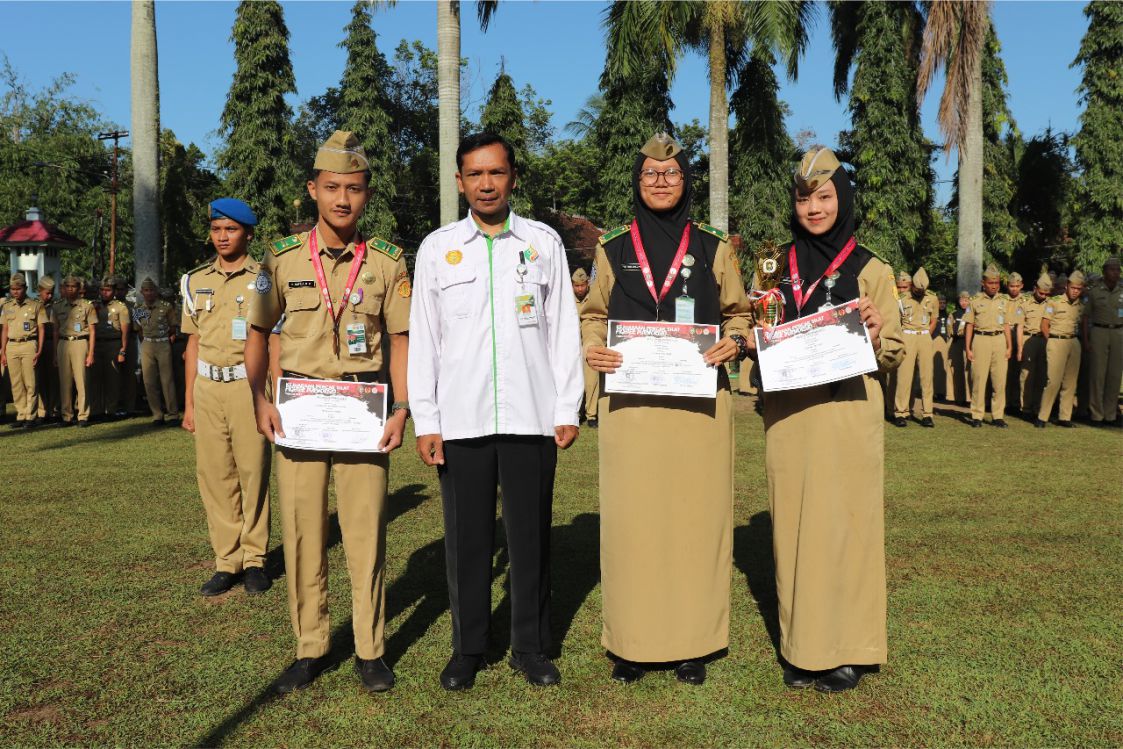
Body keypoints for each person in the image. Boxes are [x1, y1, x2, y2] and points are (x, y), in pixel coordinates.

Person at [410, 132, 582, 691]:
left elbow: (563, 329)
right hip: (462, 417)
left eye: (497, 173)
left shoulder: (542, 243)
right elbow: (425, 339)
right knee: (467, 539)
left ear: (513, 178)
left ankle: (531, 646)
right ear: (460, 181)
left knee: (530, 536)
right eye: (475, 174)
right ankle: (469, 647)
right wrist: (427, 419)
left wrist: (567, 405)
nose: (486, 184)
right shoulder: (438, 248)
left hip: (531, 414)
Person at [581, 133, 752, 687]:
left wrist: (736, 341)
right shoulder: (613, 248)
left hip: (698, 407)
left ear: (686, 181)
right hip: (631, 407)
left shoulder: (713, 247)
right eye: (650, 173)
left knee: (694, 521)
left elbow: (739, 312)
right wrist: (592, 345)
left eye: (671, 173)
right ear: (637, 181)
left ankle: (692, 642)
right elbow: (592, 313)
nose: (660, 181)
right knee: (633, 523)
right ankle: (632, 643)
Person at [245, 130, 411, 695]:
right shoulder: (281, 257)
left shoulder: (387, 262)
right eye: (333, 187)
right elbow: (258, 332)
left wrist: (402, 407)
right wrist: (260, 399)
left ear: (367, 195)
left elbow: (402, 341)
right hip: (300, 410)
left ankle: (370, 649)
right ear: (313, 189)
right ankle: (310, 646)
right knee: (302, 533)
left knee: (365, 534)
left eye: (355, 189)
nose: (344, 199)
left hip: (364, 412)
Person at [748, 147, 903, 693]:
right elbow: (754, 327)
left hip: (846, 416)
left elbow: (895, 351)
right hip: (789, 417)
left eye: (824, 196)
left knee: (846, 529)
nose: (813, 208)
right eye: (803, 198)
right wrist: (750, 340)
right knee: (793, 531)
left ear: (843, 199)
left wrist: (877, 334)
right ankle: (803, 648)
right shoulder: (773, 265)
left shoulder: (872, 268)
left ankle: (849, 650)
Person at [181, 198, 273, 597]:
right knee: (215, 476)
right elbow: (192, 343)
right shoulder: (194, 280)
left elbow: (273, 341)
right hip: (207, 387)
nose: (222, 236)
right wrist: (188, 403)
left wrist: (270, 396)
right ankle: (226, 560)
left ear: (247, 234)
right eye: (217, 229)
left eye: (231, 229)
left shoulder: (265, 279)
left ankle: (254, 559)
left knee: (252, 473)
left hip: (246, 386)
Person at [1036, 271, 1088, 428]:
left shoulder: (1081, 305)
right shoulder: (1054, 302)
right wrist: (1051, 341)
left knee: (1070, 382)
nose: (1075, 291)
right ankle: (1042, 416)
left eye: (1078, 289)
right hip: (1056, 341)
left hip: (1073, 342)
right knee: (1053, 381)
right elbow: (1044, 325)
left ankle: (1064, 417)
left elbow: (1083, 324)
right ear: (1067, 286)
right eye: (1073, 288)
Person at [964, 266, 1012, 427]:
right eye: (991, 283)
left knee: (999, 381)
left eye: (996, 283)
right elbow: (969, 325)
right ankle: (977, 415)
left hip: (999, 340)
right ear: (983, 283)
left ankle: (998, 416)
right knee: (978, 379)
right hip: (981, 339)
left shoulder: (1004, 300)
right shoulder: (975, 301)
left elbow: (1006, 324)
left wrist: (1009, 346)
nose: (994, 286)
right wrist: (968, 348)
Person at [892, 267, 939, 427]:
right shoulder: (902, 299)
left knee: (927, 377)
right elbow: (896, 321)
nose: (920, 293)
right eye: (918, 290)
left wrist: (926, 334)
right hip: (907, 336)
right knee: (904, 376)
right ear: (912, 286)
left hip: (924, 336)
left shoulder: (932, 298)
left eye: (922, 290)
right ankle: (900, 412)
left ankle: (927, 414)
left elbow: (934, 319)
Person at [1, 274, 48, 428]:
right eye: (12, 289)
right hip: (12, 346)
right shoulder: (7, 306)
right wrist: (3, 351)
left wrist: (39, 350)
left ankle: (30, 416)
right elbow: (5, 329)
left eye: (18, 288)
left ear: (25, 288)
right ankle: (21, 414)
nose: (15, 292)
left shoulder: (36, 305)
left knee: (30, 382)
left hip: (29, 344)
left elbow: (42, 329)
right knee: (16, 383)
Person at [52, 274, 97, 427]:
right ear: (64, 288)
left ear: (79, 288)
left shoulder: (87, 306)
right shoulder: (57, 306)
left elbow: (92, 331)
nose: (70, 289)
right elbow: (55, 330)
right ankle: (67, 416)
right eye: (68, 286)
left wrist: (91, 353)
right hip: (63, 343)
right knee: (64, 383)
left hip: (80, 343)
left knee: (82, 381)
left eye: (74, 286)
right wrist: (55, 353)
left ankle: (83, 415)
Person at [134, 277, 180, 426]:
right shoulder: (138, 309)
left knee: (167, 379)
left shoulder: (166, 307)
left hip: (163, 343)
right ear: (142, 292)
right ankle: (157, 414)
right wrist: (145, 342)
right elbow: (138, 329)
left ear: (156, 291)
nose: (149, 293)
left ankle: (173, 414)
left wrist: (166, 338)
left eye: (151, 290)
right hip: (147, 344)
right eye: (146, 290)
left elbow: (173, 326)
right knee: (149, 381)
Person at [1085, 257, 1122, 426]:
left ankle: (1110, 414)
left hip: (1118, 333)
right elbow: (1085, 317)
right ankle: (1096, 414)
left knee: (1115, 375)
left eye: (1118, 269)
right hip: (1099, 332)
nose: (1116, 272)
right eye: (1112, 269)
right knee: (1097, 375)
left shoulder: (1122, 291)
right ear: (1104, 271)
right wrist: (1086, 339)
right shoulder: (1094, 292)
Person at [91, 276, 131, 420]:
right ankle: (96, 410)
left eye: (108, 290)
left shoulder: (121, 307)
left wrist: (123, 350)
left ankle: (111, 410)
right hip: (97, 345)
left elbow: (125, 331)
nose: (104, 293)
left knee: (112, 379)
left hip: (113, 344)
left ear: (113, 291)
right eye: (102, 290)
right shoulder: (94, 305)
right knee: (95, 378)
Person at [1018, 273, 1053, 420]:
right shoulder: (1025, 304)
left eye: (1046, 294)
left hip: (1045, 340)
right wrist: (1020, 348)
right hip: (1029, 339)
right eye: (1041, 293)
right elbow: (1020, 326)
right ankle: (1025, 408)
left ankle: (1037, 408)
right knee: (1026, 376)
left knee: (1042, 376)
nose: (1043, 296)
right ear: (1035, 289)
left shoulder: (1052, 304)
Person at [571, 267, 600, 427]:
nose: (580, 289)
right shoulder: (566, 298)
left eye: (582, 285)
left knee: (591, 376)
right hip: (572, 343)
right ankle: (575, 412)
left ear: (587, 283)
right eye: (577, 285)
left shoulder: (594, 297)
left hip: (589, 341)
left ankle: (591, 415)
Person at [114, 277, 140, 415]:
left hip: (130, 341)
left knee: (129, 374)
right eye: (117, 289)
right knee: (114, 375)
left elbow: (140, 325)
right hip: (113, 341)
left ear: (126, 291)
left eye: (122, 289)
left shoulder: (133, 306)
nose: (119, 292)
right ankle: (116, 405)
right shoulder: (109, 305)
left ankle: (130, 406)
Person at [35, 276, 59, 423]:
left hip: (52, 343)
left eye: (51, 293)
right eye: (47, 293)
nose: (49, 296)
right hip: (36, 344)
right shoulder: (34, 305)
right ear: (40, 291)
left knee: (53, 378)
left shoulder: (56, 305)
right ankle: (42, 411)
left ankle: (54, 410)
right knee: (40, 378)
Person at [1003, 272, 1026, 412]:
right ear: (1007, 286)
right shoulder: (1001, 299)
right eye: (1012, 286)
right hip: (1004, 338)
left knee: (1018, 371)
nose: (1014, 289)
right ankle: (1004, 402)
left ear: (1021, 286)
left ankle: (1016, 403)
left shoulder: (1026, 300)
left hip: (1020, 337)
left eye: (1017, 286)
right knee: (1004, 371)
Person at [948, 290, 972, 406]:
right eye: (962, 300)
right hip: (957, 343)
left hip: (968, 343)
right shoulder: (954, 313)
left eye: (966, 300)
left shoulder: (972, 313)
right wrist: (952, 331)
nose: (964, 303)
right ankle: (959, 397)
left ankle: (969, 398)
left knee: (968, 370)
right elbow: (949, 326)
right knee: (957, 371)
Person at [933, 293, 950, 402]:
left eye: (944, 303)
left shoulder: (948, 316)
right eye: (940, 303)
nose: (942, 305)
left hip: (945, 342)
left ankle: (942, 392)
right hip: (934, 341)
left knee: (943, 368)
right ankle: (933, 391)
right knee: (934, 368)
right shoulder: (933, 315)